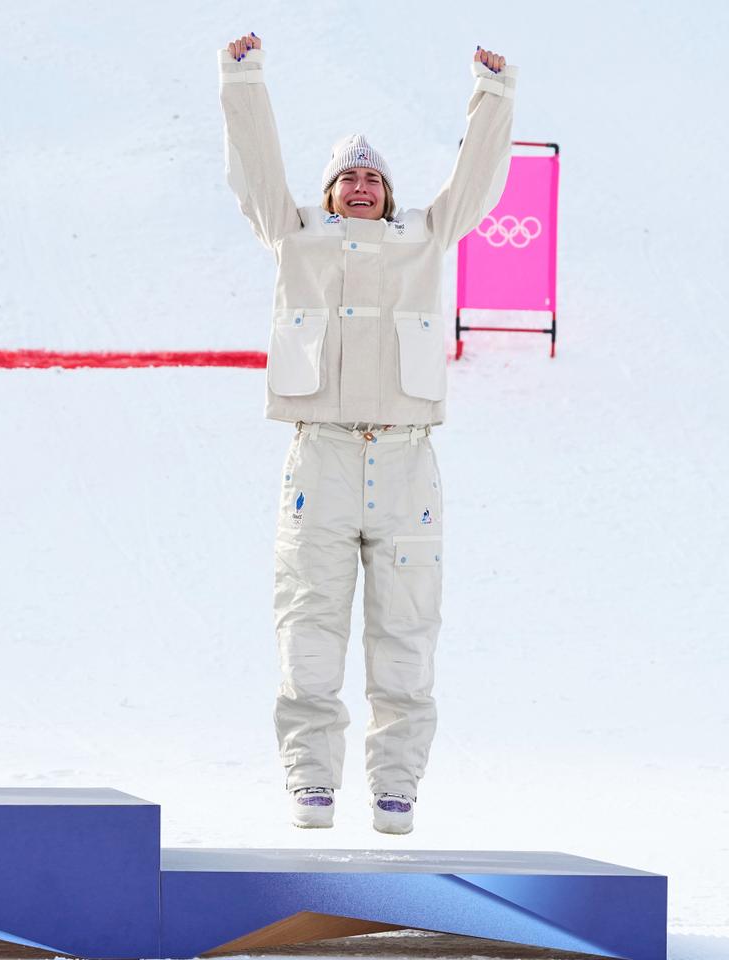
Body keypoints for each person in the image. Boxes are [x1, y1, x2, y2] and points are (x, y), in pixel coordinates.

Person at [220, 32, 517, 833]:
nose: (360, 186)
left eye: (372, 177)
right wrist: (243, 77)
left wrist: (492, 95)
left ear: (389, 193)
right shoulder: (296, 240)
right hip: (321, 455)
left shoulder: (424, 238)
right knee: (309, 625)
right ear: (328, 192)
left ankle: (396, 786)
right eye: (347, 177)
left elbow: (478, 185)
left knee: (407, 632)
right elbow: (253, 173)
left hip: (407, 460)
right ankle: (310, 780)